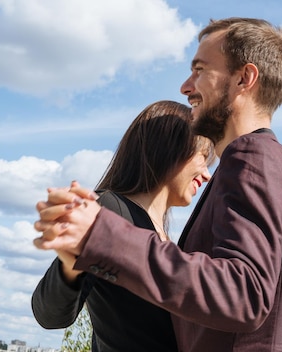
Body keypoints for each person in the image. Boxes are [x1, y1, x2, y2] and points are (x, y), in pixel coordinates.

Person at [34, 17, 282, 352]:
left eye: (200, 69)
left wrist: (100, 235)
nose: (186, 86)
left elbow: (244, 294)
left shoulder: (250, 155)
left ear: (245, 78)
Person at [31, 100, 214, 351]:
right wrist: (71, 261)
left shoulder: (168, 240)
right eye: (203, 158)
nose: (207, 174)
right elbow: (49, 313)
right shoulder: (109, 209)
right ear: (171, 148)